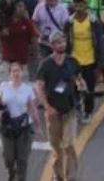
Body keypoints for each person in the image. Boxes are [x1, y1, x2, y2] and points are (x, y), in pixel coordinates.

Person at [36, 31, 86, 181]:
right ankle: (58, 175)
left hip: (69, 109)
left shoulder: (72, 61)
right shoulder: (45, 65)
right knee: (56, 147)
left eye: (63, 41)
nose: (61, 45)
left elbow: (78, 77)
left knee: (68, 144)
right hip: (53, 112)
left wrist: (81, 84)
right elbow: (40, 87)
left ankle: (70, 176)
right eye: (58, 42)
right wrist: (47, 107)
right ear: (52, 45)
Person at [0, 62, 44, 181]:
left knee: (22, 159)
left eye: (18, 71)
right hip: (8, 127)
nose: (16, 73)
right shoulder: (3, 86)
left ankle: (21, 178)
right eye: (13, 71)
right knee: (8, 158)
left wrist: (38, 126)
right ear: (9, 74)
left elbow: (33, 109)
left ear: (22, 73)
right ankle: (11, 172)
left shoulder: (28, 90)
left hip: (24, 128)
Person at [64, 0, 103, 123]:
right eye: (76, 4)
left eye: (81, 4)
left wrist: (100, 62)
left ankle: (88, 111)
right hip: (74, 60)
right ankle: (77, 110)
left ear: (85, 5)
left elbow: (100, 42)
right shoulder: (69, 22)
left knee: (88, 88)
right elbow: (65, 41)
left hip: (90, 59)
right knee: (74, 87)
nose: (78, 7)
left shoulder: (93, 21)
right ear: (73, 6)